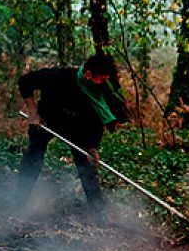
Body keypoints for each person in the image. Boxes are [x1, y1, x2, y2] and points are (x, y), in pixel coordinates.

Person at [14, 54, 127, 224]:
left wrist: (92, 147)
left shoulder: (99, 90)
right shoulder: (58, 76)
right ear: (88, 74)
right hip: (46, 120)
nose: (104, 82)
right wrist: (33, 113)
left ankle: (99, 216)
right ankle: (18, 204)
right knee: (33, 156)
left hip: (76, 127)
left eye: (106, 79)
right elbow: (24, 82)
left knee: (87, 165)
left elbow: (96, 122)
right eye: (101, 78)